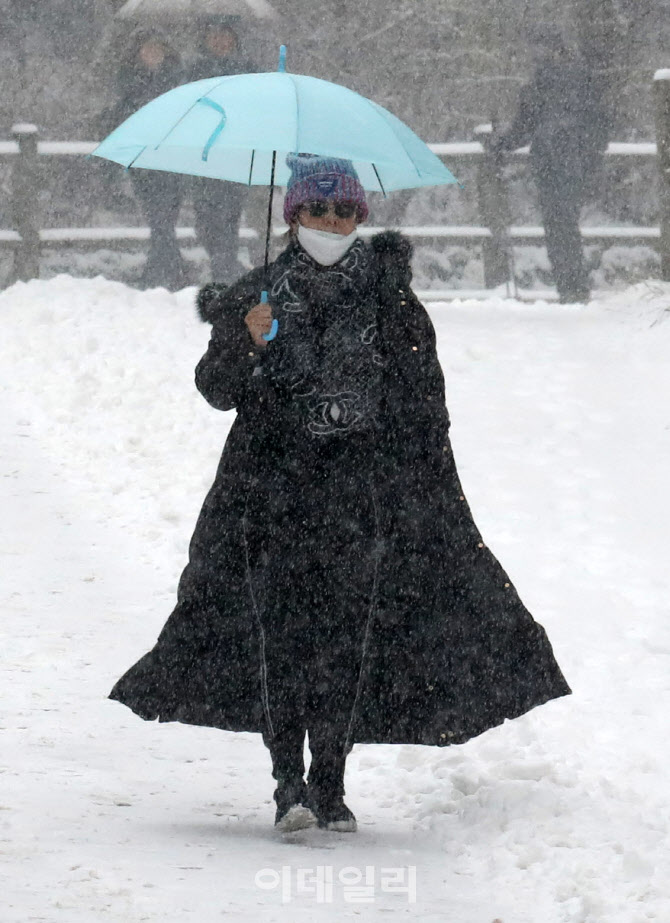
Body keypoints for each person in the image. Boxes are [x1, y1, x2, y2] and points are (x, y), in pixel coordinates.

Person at [108, 154, 571, 833]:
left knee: (345, 639)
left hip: (358, 492)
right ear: (293, 215)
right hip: (271, 492)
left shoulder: (389, 300)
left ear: (360, 217)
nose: (332, 222)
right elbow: (216, 389)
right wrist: (245, 338)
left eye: (345, 211)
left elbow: (421, 400)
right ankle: (287, 781)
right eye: (319, 211)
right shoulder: (257, 294)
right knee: (279, 637)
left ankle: (331, 779)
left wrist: (415, 481)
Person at [491, 28, 610, 303]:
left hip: (552, 163)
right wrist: (590, 154)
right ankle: (575, 288)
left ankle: (570, 287)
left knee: (558, 226)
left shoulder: (540, 85)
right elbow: (601, 123)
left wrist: (500, 144)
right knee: (566, 225)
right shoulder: (582, 80)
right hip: (574, 163)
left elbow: (524, 127)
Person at [101, 29, 186, 291]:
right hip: (143, 161)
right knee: (158, 218)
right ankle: (169, 269)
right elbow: (122, 116)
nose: (153, 54)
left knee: (165, 218)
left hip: (172, 159)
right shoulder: (129, 81)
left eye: (157, 49)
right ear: (138, 53)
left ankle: (162, 270)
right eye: (147, 49)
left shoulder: (176, 80)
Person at [188, 18, 255, 285]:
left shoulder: (248, 71)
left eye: (225, 36)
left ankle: (224, 268)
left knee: (229, 216)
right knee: (205, 221)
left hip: (235, 156)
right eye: (214, 36)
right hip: (203, 157)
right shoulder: (195, 71)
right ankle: (225, 264)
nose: (220, 42)